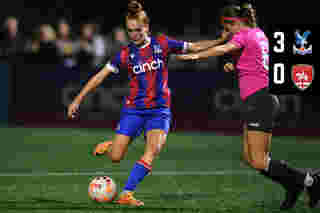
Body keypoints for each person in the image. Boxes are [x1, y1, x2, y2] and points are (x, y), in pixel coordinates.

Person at [68, 0, 229, 206]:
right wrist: (78, 99)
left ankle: (126, 194)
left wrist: (218, 41)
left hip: (159, 111)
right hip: (134, 110)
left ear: (147, 27)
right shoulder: (126, 54)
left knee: (152, 150)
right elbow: (100, 76)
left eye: (137, 30)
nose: (133, 34)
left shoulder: (162, 44)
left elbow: (194, 47)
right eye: (130, 31)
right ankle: (112, 146)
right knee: (116, 157)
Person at [176, 3, 320, 210]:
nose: (226, 33)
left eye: (227, 27)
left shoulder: (243, 35)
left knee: (260, 161)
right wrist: (236, 64)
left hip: (260, 101)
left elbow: (223, 48)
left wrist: (196, 55)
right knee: (249, 157)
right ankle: (294, 185)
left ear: (235, 22)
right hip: (261, 99)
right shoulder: (258, 34)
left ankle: (310, 182)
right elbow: (255, 61)